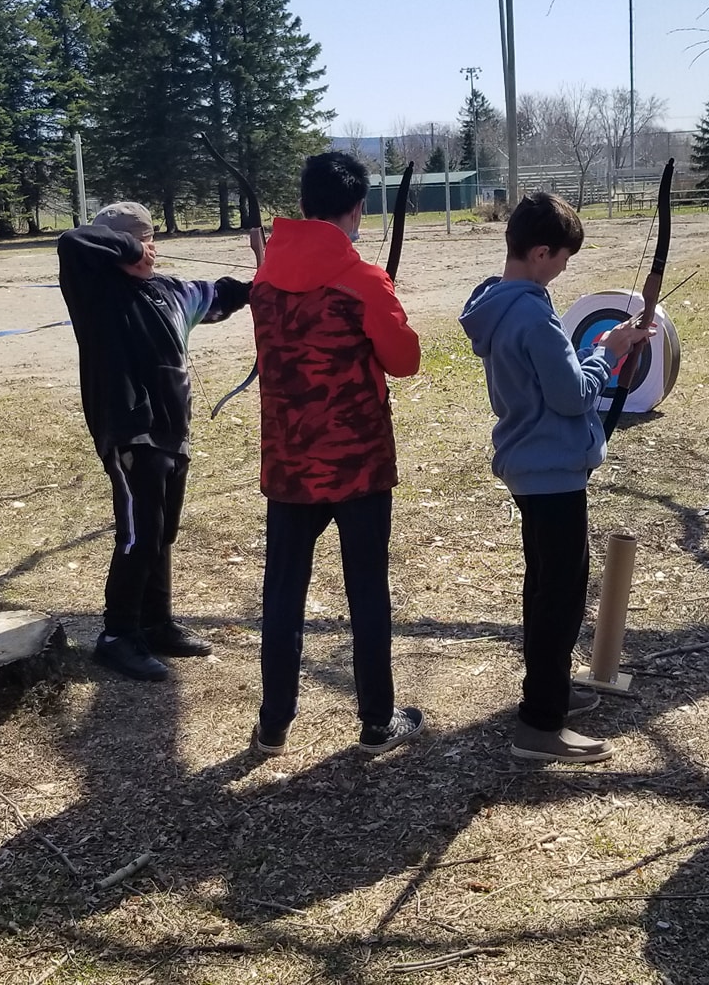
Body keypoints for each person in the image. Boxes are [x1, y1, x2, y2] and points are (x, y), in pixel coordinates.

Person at [459, 192, 653, 764]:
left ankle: (549, 691)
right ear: (541, 252)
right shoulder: (531, 312)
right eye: (563, 258)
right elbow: (571, 396)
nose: (564, 269)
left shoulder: (496, 303)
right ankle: (539, 725)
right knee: (560, 598)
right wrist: (609, 349)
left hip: (532, 467)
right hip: (551, 472)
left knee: (545, 587)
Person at [249, 152, 425, 756]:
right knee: (367, 591)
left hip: (290, 460)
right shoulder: (363, 280)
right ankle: (376, 720)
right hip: (357, 463)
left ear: (304, 206)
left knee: (283, 592)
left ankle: (274, 721)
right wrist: (386, 303)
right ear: (355, 209)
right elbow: (404, 361)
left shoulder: (265, 278)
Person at [55, 202, 251, 682]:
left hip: (171, 429)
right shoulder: (95, 290)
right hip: (128, 429)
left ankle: (155, 623)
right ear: (116, 245)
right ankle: (117, 635)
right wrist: (126, 245)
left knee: (162, 532)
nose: (151, 249)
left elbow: (218, 293)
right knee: (139, 534)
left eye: (151, 239)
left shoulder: (167, 291)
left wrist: (264, 286)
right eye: (142, 240)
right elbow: (72, 242)